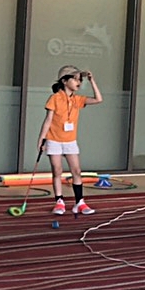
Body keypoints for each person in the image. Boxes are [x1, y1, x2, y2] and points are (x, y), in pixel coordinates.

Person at [37, 65, 102, 216]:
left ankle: (79, 203)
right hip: (53, 139)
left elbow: (98, 99)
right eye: (75, 79)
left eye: (80, 80)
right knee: (57, 171)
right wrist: (41, 140)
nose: (79, 82)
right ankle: (59, 202)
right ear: (64, 81)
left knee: (76, 171)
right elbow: (48, 120)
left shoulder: (78, 100)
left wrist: (92, 81)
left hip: (70, 141)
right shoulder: (54, 98)